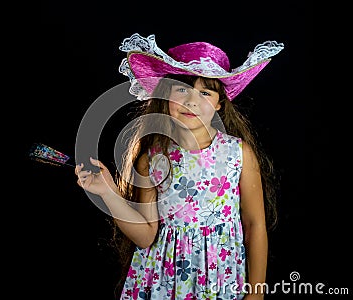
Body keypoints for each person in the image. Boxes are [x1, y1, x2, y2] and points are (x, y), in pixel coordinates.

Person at [75, 33, 284, 299]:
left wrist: (257, 292)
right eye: (182, 88)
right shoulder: (151, 159)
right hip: (165, 282)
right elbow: (145, 237)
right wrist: (107, 192)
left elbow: (254, 224)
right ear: (165, 95)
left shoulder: (238, 153)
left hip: (221, 278)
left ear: (220, 104)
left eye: (205, 92)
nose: (191, 101)